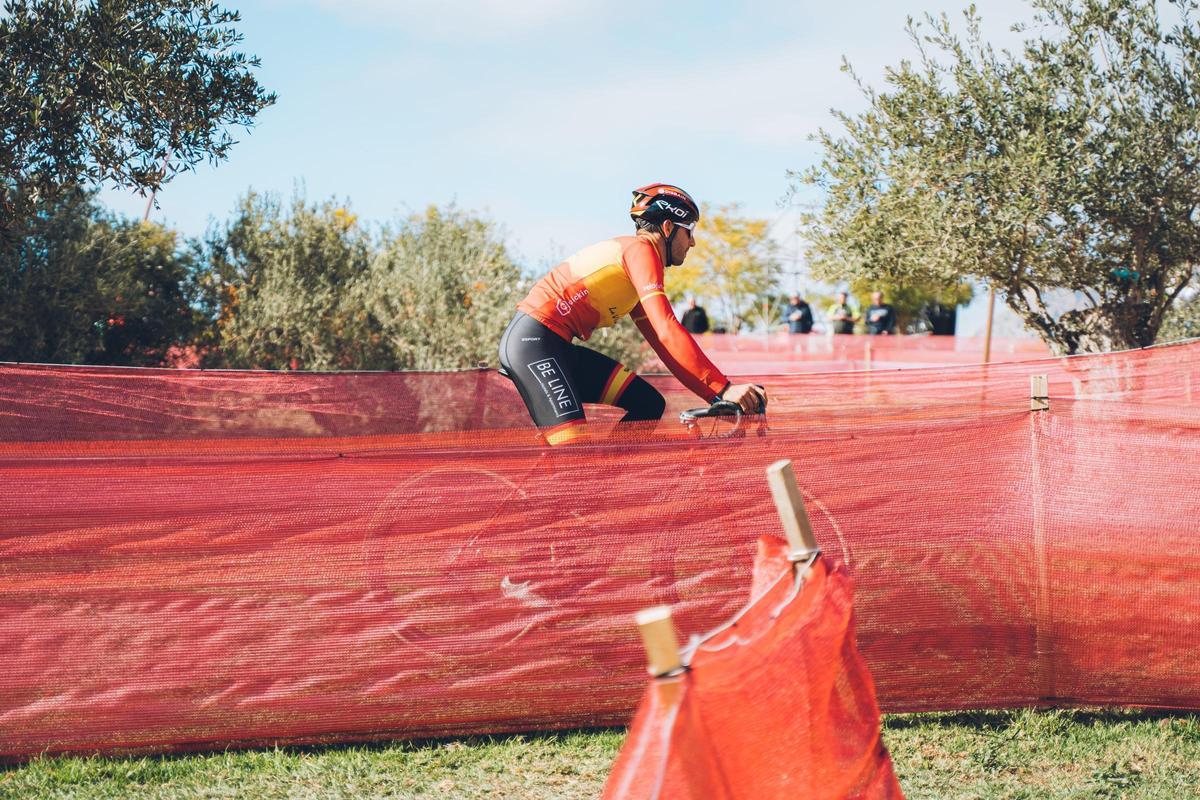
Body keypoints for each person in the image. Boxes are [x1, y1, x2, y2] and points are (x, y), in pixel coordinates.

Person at [498, 183, 767, 445]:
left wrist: (717, 399)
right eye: (690, 230)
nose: (693, 242)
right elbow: (667, 329)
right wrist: (724, 389)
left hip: (554, 348)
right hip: (534, 346)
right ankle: (591, 483)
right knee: (576, 462)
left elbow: (664, 346)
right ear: (668, 227)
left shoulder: (635, 271)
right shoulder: (640, 251)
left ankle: (610, 481)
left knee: (647, 404)